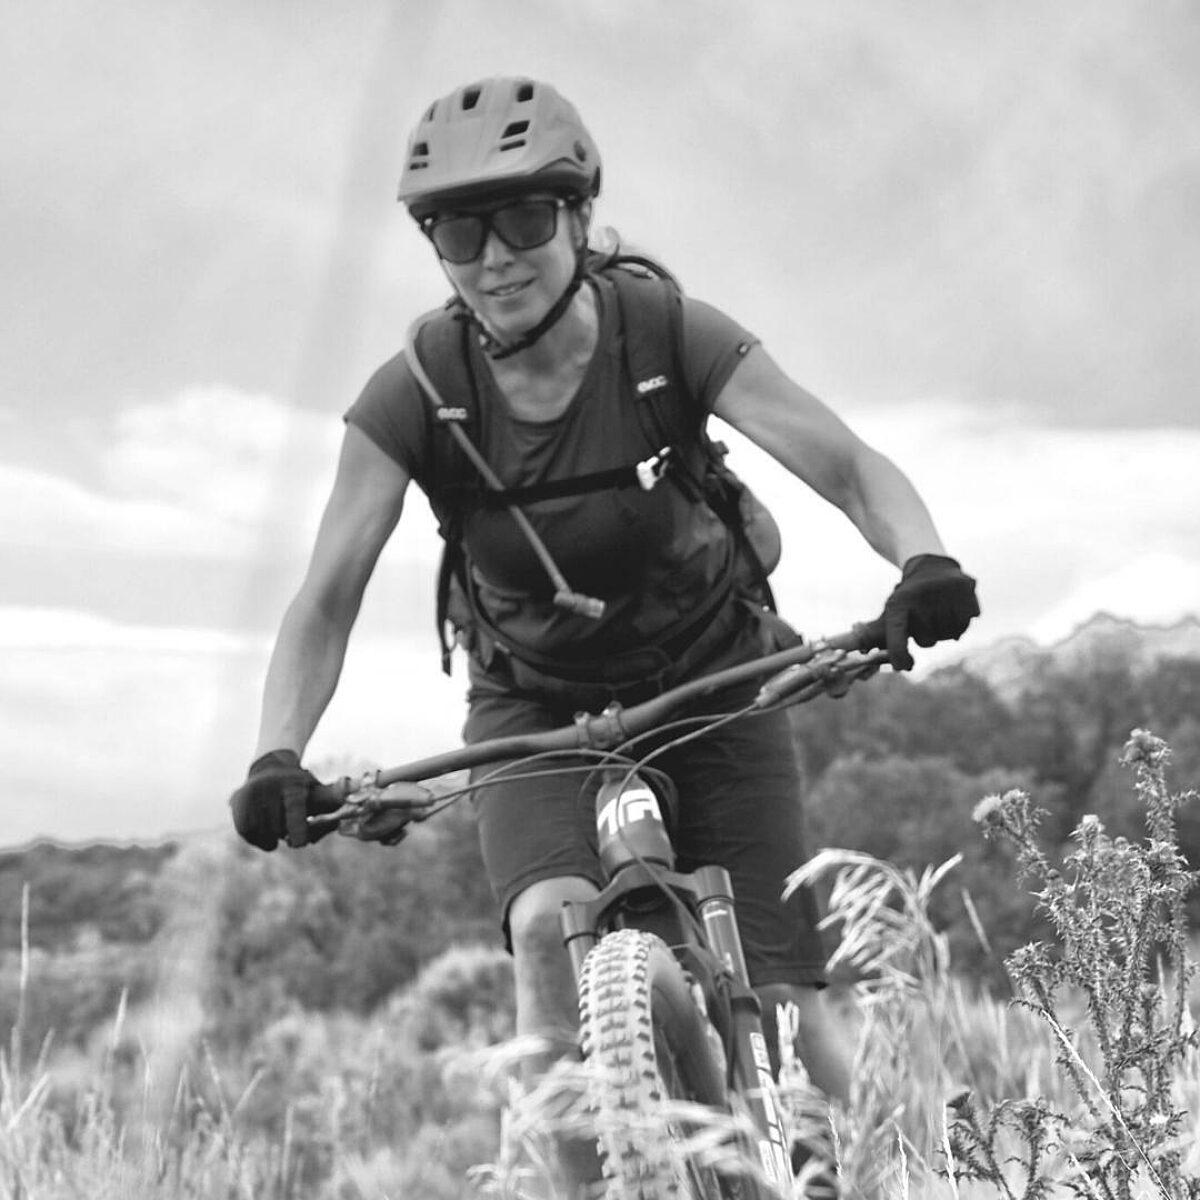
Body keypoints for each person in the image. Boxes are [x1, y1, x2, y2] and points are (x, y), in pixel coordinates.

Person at [229, 76, 979, 1194]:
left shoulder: (663, 333)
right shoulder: (417, 393)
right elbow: (326, 596)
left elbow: (846, 464)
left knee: (793, 1012)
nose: (495, 257)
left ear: (579, 217)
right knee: (546, 932)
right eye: (458, 230)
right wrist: (277, 751)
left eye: (526, 219)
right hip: (532, 709)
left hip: (718, 677)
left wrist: (919, 559)